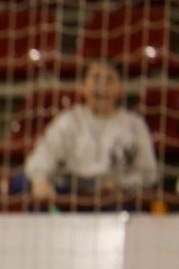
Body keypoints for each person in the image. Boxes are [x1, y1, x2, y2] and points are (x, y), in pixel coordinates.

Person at [23, 60, 159, 206]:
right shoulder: (69, 121)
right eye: (96, 78)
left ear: (121, 88)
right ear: (83, 86)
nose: (102, 87)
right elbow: (41, 157)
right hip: (73, 194)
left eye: (109, 79)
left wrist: (120, 183)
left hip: (117, 199)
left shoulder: (134, 125)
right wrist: (40, 180)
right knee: (22, 182)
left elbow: (149, 174)